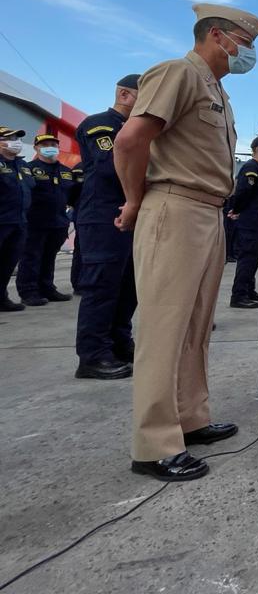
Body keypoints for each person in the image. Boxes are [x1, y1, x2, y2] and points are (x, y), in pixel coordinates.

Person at [113, 3, 258, 481]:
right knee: (164, 328)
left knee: (196, 326)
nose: (249, 51)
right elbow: (130, 141)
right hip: (174, 205)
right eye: (246, 40)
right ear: (217, 35)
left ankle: (190, 418)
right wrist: (134, 200)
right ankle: (153, 444)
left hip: (208, 211)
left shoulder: (217, 90)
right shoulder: (177, 72)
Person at [73, 74, 140, 380]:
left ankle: (118, 342)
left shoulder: (138, 129)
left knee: (128, 285)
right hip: (103, 216)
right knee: (101, 287)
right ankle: (92, 355)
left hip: (129, 214)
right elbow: (110, 166)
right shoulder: (100, 124)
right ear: (125, 94)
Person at [16, 134, 75, 306]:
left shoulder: (65, 171)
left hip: (58, 222)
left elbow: (71, 195)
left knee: (49, 258)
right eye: (44, 144)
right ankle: (28, 292)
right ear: (36, 148)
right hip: (35, 222)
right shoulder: (29, 169)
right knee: (31, 258)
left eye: (53, 144)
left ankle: (47, 288)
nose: (49, 147)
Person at [229, 136, 258, 309]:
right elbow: (243, 191)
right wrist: (236, 209)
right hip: (250, 222)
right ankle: (239, 295)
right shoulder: (251, 167)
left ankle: (249, 290)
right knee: (247, 258)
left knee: (254, 258)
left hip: (256, 222)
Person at [0, 126, 34, 312]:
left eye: (16, 137)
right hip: (2, 220)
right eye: (10, 137)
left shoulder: (23, 165)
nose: (15, 141)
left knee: (8, 262)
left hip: (19, 221)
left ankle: (1, 297)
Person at [68, 163, 84, 294]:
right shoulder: (79, 168)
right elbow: (71, 193)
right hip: (84, 213)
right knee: (81, 251)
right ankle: (79, 283)